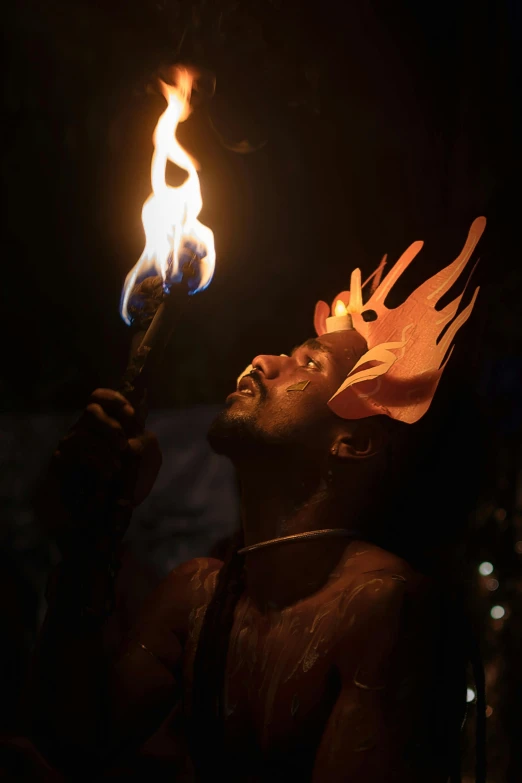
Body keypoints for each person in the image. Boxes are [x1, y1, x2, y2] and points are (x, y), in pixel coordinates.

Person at [21, 217, 486, 782]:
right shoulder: (196, 597)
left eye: (309, 364)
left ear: (354, 442)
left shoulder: (385, 608)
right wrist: (92, 530)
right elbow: (70, 742)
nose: (262, 362)